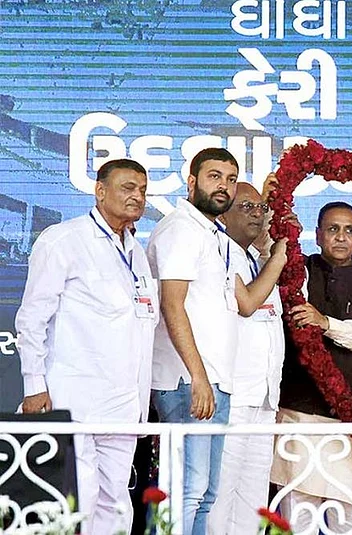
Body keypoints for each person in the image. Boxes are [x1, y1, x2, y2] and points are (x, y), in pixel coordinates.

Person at [16, 158, 157, 534]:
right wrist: (34, 384)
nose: (137, 196)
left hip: (124, 406)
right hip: (74, 400)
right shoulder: (64, 240)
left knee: (117, 505)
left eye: (143, 190)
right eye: (128, 188)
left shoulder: (137, 252)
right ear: (100, 191)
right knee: (76, 502)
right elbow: (32, 319)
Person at [270, 201, 352, 532]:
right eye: (333, 229)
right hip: (300, 416)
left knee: (348, 522)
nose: (341, 237)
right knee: (299, 520)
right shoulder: (297, 272)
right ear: (317, 235)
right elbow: (265, 254)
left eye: (349, 230)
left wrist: (325, 323)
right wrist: (279, 225)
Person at [147, 147, 239, 535]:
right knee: (185, 491)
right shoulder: (181, 229)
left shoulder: (211, 233)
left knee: (204, 493)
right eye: (214, 176)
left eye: (231, 179)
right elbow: (172, 304)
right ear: (191, 181)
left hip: (212, 380)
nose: (223, 186)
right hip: (188, 382)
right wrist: (198, 377)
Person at [208, 180, 291, 534]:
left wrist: (274, 252)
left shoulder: (254, 259)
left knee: (253, 501)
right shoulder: (219, 253)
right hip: (233, 397)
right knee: (219, 496)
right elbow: (246, 305)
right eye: (246, 207)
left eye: (261, 208)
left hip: (264, 398)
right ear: (223, 214)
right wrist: (278, 257)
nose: (257, 215)